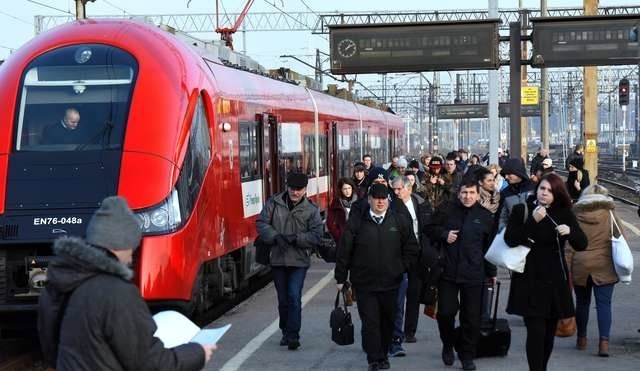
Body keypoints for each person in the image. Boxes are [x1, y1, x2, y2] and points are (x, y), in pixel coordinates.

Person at [38, 196, 215, 370]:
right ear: (121, 243)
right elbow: (150, 363)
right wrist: (197, 352)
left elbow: (52, 351)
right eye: (133, 246)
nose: (131, 256)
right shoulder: (118, 292)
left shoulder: (56, 287)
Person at [504, 173, 587, 371]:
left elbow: (582, 243)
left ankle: (542, 367)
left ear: (557, 194)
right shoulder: (522, 209)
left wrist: (571, 232)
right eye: (542, 188)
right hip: (529, 279)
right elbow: (511, 239)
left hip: (555, 281)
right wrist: (532, 221)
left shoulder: (565, 213)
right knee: (536, 332)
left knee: (549, 334)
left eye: (550, 190)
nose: (544, 193)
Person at [335, 183, 419, 371]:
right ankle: (375, 358)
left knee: (388, 321)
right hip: (365, 283)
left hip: (391, 282)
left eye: (383, 199)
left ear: (388, 201)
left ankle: (383, 351)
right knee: (371, 322)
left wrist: (401, 267)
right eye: (376, 198)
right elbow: (344, 249)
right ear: (369, 200)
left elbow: (412, 248)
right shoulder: (358, 222)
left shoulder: (399, 221)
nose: (380, 202)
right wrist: (341, 278)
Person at [427, 177, 497, 371]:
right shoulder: (446, 211)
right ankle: (448, 344)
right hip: (448, 272)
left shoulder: (485, 216)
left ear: (478, 194)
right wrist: (443, 234)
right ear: (459, 193)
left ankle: (467, 355)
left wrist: (491, 273)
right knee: (446, 313)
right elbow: (429, 229)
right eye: (464, 193)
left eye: (472, 193)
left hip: (474, 273)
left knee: (471, 317)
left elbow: (489, 247)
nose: (468, 196)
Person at [256, 172, 323, 350]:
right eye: (292, 189)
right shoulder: (274, 203)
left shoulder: (311, 209)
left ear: (304, 190)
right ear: (287, 187)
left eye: (299, 189)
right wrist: (275, 237)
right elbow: (262, 223)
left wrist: (296, 239)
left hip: (299, 260)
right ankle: (285, 329)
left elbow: (317, 234)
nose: (295, 192)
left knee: (294, 296)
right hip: (278, 259)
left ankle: (293, 335)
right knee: (283, 299)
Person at [567, 184, 622, 357]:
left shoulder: (576, 215)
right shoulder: (609, 214)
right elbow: (620, 238)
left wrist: (567, 268)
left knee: (582, 303)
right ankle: (603, 343)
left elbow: (569, 245)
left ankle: (582, 339)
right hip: (604, 265)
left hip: (581, 265)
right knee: (604, 305)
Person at [389, 176, 433, 353]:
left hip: (419, 255)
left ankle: (410, 330)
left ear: (409, 189)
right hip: (399, 256)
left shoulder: (421, 204)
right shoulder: (392, 207)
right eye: (394, 189)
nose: (396, 192)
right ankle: (394, 332)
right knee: (397, 298)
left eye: (399, 189)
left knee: (414, 293)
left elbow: (428, 228)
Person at [497, 157, 534, 231]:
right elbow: (502, 217)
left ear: (518, 172)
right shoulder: (504, 193)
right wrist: (504, 231)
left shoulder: (534, 189)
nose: (506, 177)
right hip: (512, 236)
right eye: (505, 174)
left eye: (509, 174)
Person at [327, 177, 358, 244]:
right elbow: (330, 223)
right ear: (341, 190)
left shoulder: (359, 201)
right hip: (342, 240)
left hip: (358, 240)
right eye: (345, 189)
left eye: (349, 188)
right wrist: (339, 236)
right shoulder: (336, 203)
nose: (347, 191)